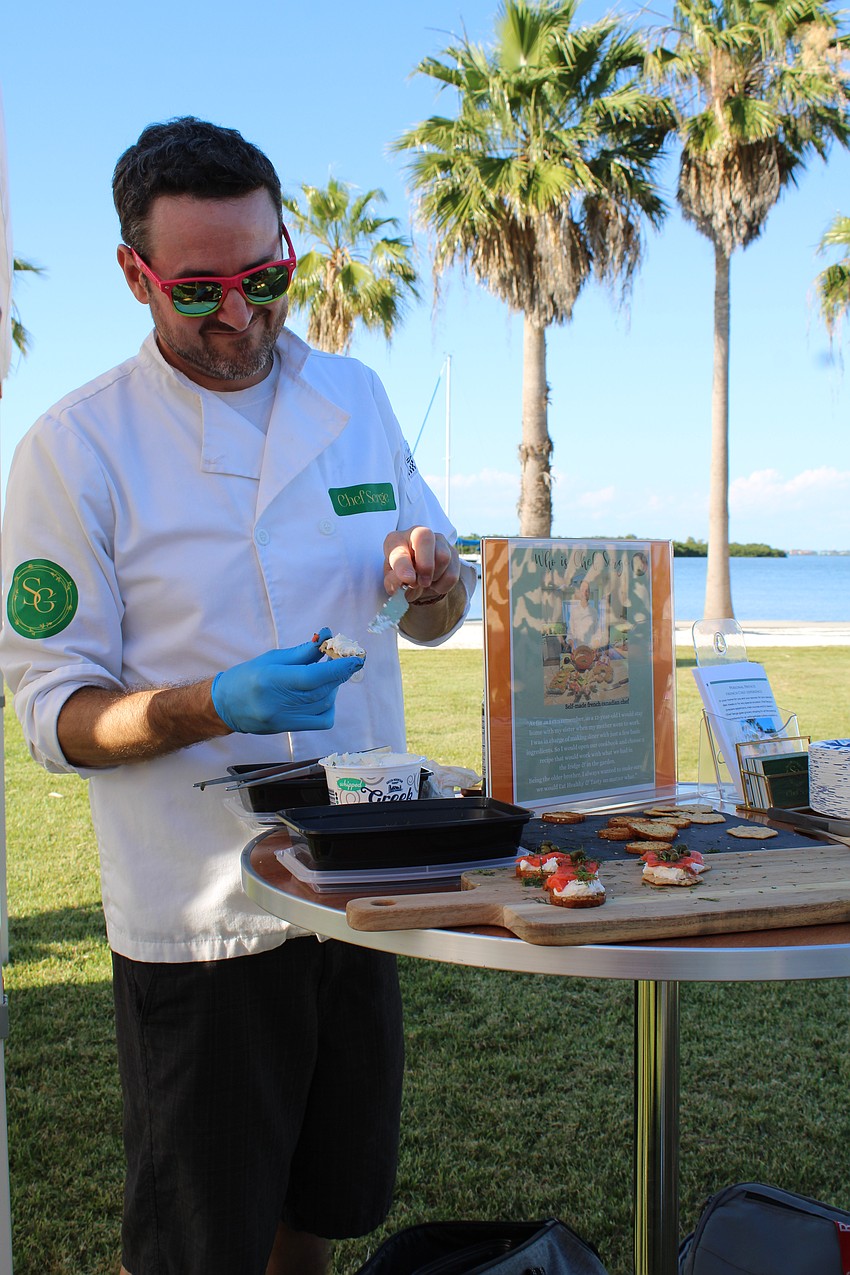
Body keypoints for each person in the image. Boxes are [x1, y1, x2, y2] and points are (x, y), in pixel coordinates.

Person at [0, 117, 475, 1275]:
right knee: (200, 1237)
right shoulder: (75, 449)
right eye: (199, 288)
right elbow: (55, 719)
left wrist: (434, 579)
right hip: (200, 901)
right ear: (135, 275)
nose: (238, 315)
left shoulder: (353, 395)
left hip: (361, 864)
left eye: (264, 279)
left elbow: (435, 611)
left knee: (319, 1199)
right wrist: (213, 702)